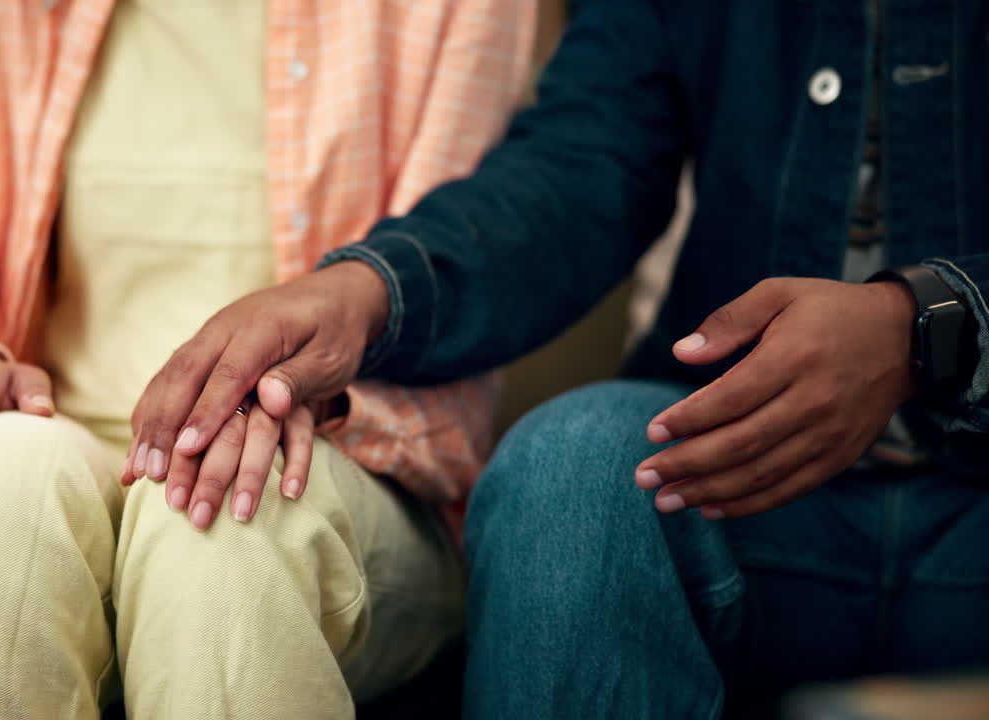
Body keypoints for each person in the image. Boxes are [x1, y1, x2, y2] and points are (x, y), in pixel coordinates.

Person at [125, 1, 989, 717]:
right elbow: (587, 161)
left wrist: (926, 323)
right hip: (743, 482)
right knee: (568, 469)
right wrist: (365, 294)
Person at [0, 1, 536, 718]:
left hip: (339, 461)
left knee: (230, 511)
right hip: (61, 435)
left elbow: (456, 281)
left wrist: (297, 395)